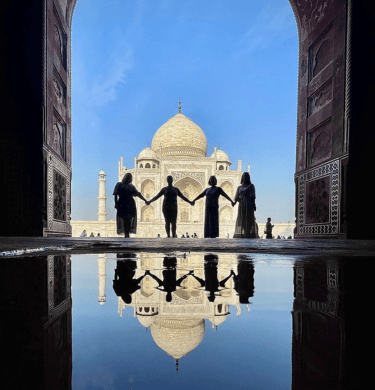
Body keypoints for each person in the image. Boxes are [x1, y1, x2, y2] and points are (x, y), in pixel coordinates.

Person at [113, 172, 148, 238]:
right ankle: (126, 234)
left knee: (128, 219)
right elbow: (115, 194)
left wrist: (145, 200)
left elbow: (138, 194)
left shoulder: (131, 186)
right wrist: (116, 203)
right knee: (124, 218)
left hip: (129, 203)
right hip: (123, 203)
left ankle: (127, 234)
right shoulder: (119, 184)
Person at [233, 172, 257, 238]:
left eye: (246, 177)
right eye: (243, 176)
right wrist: (234, 202)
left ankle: (248, 233)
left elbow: (253, 197)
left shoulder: (251, 186)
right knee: (242, 219)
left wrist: (254, 205)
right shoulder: (239, 187)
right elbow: (236, 197)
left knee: (249, 219)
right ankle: (245, 233)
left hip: (249, 205)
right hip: (241, 205)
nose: (244, 178)